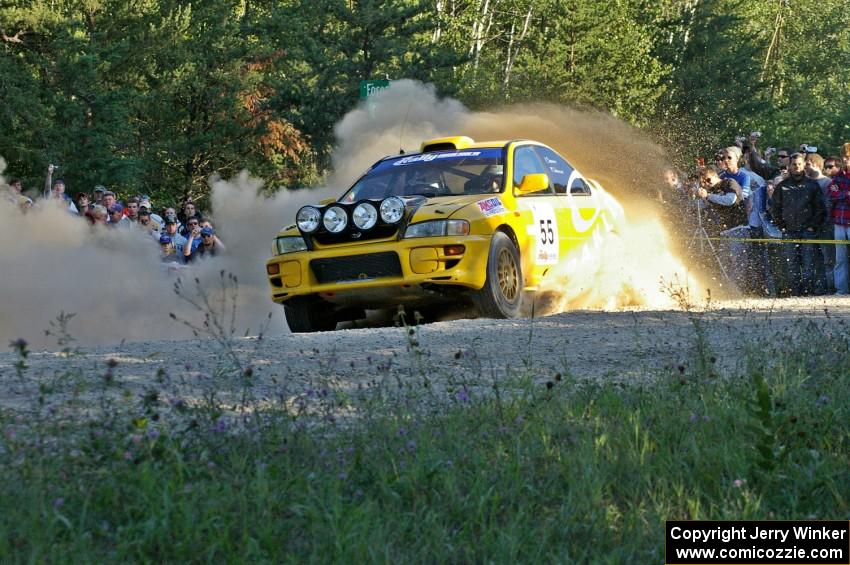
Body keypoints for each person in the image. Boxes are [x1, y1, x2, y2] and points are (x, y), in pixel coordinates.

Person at [770, 153, 825, 296]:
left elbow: (820, 208)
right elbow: (774, 207)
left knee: (808, 264)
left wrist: (813, 226)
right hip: (789, 231)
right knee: (791, 265)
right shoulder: (782, 186)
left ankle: (808, 294)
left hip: (808, 231)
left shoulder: (812, 185)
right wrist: (781, 225)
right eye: (794, 164)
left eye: (799, 164)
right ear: (789, 167)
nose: (797, 167)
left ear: (804, 165)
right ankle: (794, 294)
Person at [805, 154, 835, 294]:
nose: (805, 167)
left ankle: (831, 288)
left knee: (829, 260)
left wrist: (821, 224)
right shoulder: (805, 183)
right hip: (809, 228)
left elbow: (829, 206)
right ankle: (819, 289)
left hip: (825, 227)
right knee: (815, 260)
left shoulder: (827, 183)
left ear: (816, 164)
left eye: (808, 164)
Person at [827, 142, 850, 295]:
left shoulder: (839, 180)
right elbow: (831, 195)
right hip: (839, 222)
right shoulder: (838, 177)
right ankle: (841, 290)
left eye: (847, 156)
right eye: (843, 156)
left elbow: (838, 194)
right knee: (840, 258)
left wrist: (841, 193)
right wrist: (846, 194)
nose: (845, 159)